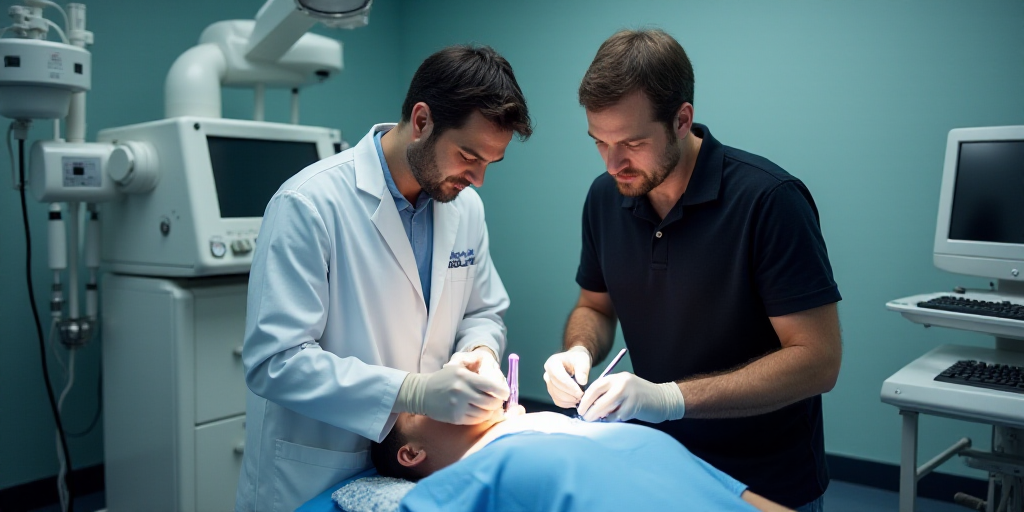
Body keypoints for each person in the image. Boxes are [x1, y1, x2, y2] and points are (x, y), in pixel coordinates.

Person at [542, 29, 842, 511]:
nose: (613, 163)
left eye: (632, 143)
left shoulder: (769, 201)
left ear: (682, 119)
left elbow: (818, 360)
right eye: (600, 142)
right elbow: (594, 306)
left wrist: (669, 399)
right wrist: (578, 351)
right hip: (656, 467)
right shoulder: (606, 197)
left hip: (765, 483)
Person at [235, 45, 533, 512]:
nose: (477, 179)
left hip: (418, 475)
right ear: (421, 121)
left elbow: (482, 310)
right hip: (318, 466)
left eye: (489, 164)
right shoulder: (309, 203)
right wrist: (413, 392)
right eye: (467, 155)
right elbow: (275, 361)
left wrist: (477, 354)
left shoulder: (464, 208)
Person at [370, 406, 793, 512]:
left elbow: (741, 497)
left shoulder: (585, 430)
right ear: (411, 453)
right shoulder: (481, 472)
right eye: (421, 404)